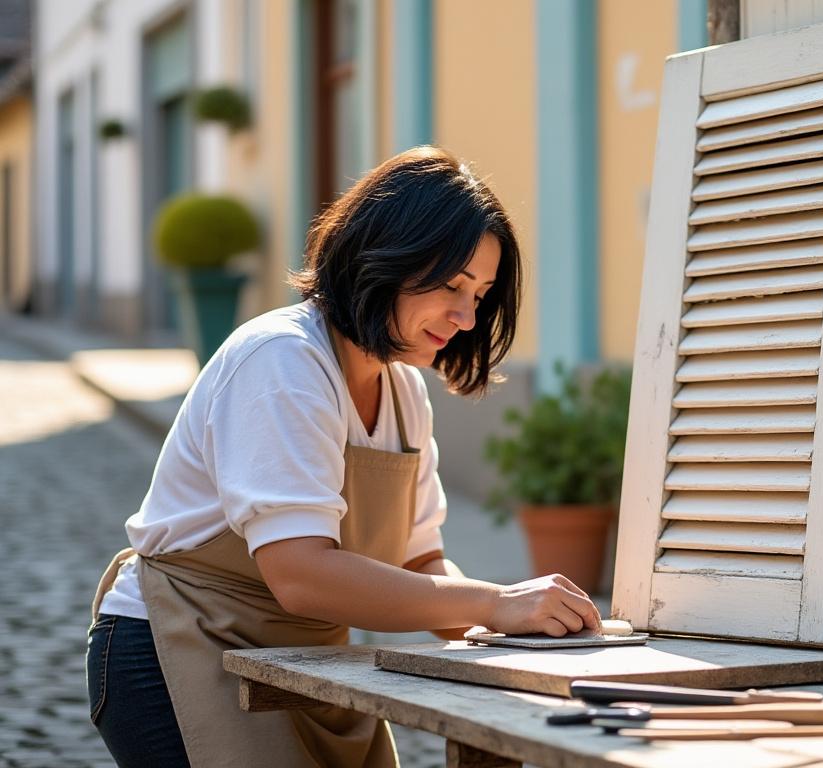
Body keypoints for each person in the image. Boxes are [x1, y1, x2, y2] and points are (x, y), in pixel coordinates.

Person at [85, 146, 602, 767]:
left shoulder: (404, 389)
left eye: (482, 293)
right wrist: (491, 603)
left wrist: (517, 620)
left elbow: (420, 560)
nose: (467, 317)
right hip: (177, 650)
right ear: (387, 255)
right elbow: (300, 574)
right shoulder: (281, 360)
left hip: (312, 666)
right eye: (453, 286)